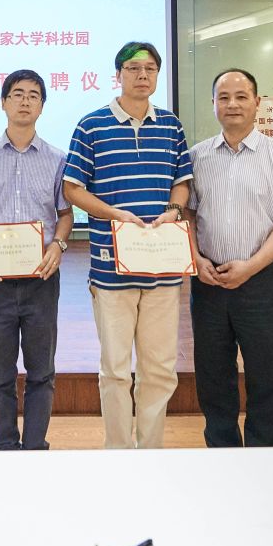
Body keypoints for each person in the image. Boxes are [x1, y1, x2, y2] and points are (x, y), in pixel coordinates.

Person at [63, 42, 192, 449]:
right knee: (116, 370)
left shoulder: (171, 125)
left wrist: (173, 210)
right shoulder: (91, 125)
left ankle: (150, 451)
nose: (142, 75)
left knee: (160, 369)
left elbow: (182, 182)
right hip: (110, 268)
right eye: (133, 68)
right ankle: (118, 451)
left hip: (163, 268)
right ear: (117, 74)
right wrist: (114, 214)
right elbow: (72, 189)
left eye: (150, 68)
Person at [187, 68, 273, 449]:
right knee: (213, 377)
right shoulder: (197, 157)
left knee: (265, 376)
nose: (232, 104)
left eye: (241, 96)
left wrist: (251, 266)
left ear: (257, 102)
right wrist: (195, 259)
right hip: (208, 281)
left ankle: (264, 458)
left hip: (260, 282)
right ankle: (222, 454)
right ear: (213, 104)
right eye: (224, 97)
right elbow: (187, 214)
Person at [0, 70, 73, 450]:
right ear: (3, 102)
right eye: (18, 94)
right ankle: (5, 447)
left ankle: (35, 446)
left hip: (41, 280)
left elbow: (65, 214)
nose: (25, 101)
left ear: (42, 106)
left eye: (34, 95)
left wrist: (58, 245)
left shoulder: (58, 159)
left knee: (42, 371)